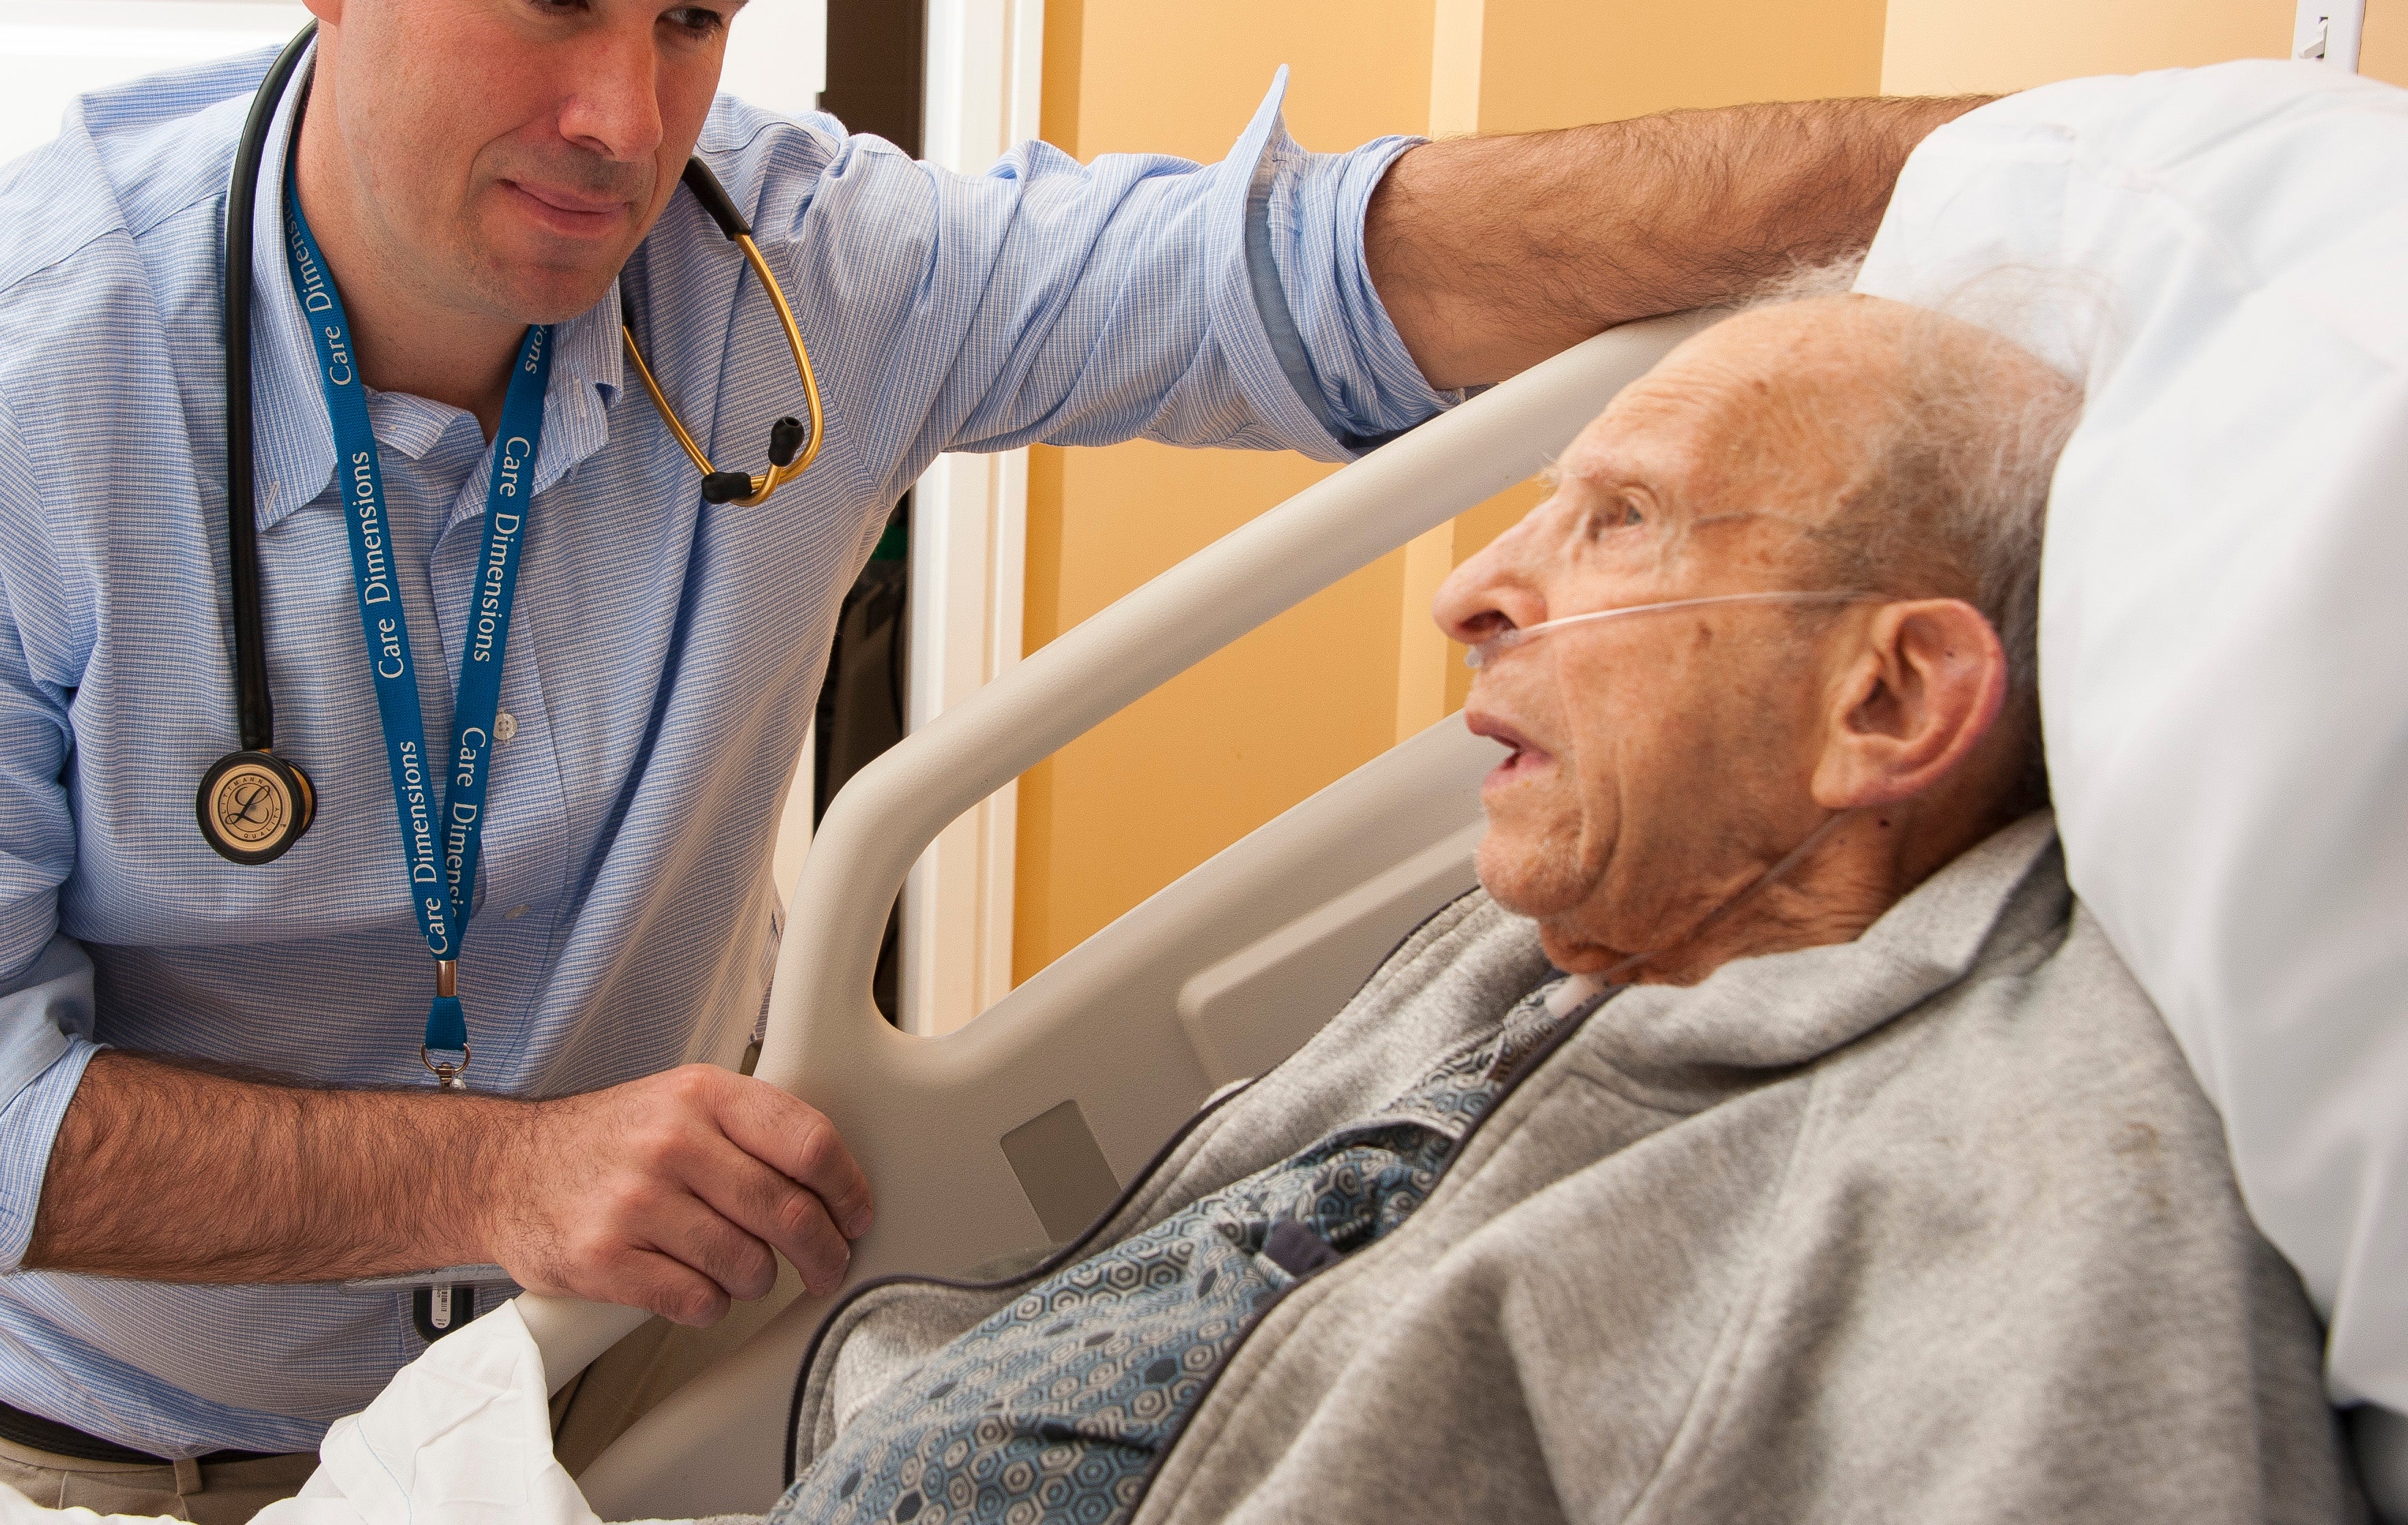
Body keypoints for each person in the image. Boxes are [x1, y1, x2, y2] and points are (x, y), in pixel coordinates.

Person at [0, 0, 1975, 1506]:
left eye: (695, 16)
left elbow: (1313, 270)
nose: (627, 121)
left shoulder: (793, 273)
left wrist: (1995, 165)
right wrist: (495, 1175)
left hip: (623, 1411)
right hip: (150, 1457)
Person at [731, 289, 2360, 1525]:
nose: (1470, 591)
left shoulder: (2020, 1202)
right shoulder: (1588, 934)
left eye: (1621, 520)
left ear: (1888, 700)